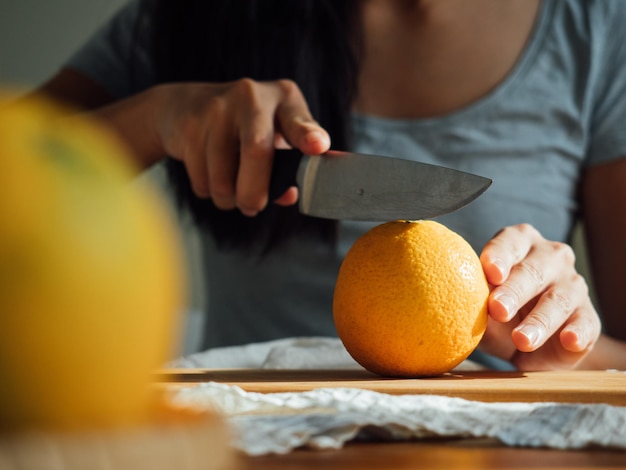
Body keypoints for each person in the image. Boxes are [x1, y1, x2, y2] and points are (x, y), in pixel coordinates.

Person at [32, 0, 626, 371]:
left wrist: (563, 346)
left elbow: (616, 358)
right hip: (245, 448)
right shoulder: (190, 15)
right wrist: (151, 119)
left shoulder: (597, 30)